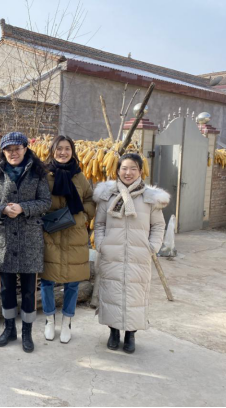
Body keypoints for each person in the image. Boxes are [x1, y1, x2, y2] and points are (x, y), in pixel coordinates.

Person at [93, 153, 169, 354]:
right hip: (112, 254)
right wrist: (101, 244)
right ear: (117, 171)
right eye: (124, 168)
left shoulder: (150, 198)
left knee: (135, 296)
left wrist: (152, 247)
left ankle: (130, 335)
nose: (128, 173)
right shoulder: (107, 196)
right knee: (111, 293)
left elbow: (158, 226)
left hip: (139, 256)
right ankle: (113, 332)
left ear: (140, 171)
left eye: (133, 168)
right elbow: (99, 224)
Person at [0, 132, 52, 353]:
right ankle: (9, 329)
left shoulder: (38, 173)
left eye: (17, 148)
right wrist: (3, 209)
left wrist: (23, 208)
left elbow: (45, 202)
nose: (13, 153)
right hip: (4, 239)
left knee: (28, 290)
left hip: (29, 239)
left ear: (25, 148)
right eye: (8, 149)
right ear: (3, 152)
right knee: (6, 288)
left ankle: (26, 332)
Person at [41, 136, 96, 344]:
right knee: (47, 281)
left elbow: (90, 200)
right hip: (51, 235)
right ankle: (49, 319)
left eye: (67, 149)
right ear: (52, 151)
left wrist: (82, 218)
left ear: (72, 151)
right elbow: (37, 200)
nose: (63, 152)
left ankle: (67, 321)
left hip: (75, 235)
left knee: (73, 282)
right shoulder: (44, 175)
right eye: (59, 149)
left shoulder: (79, 176)